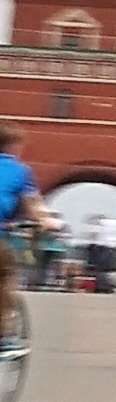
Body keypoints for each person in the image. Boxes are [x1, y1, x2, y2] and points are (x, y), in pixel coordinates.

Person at [0, 129, 31, 343]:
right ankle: (3, 331)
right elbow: (32, 205)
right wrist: (48, 222)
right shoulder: (18, 170)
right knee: (5, 276)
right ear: (12, 146)